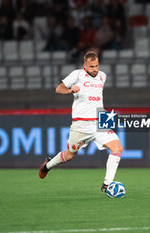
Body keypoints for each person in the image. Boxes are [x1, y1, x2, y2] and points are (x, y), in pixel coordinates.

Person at [39, 50, 123, 193]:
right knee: (70, 155)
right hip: (81, 124)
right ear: (85, 65)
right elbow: (58, 89)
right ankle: (47, 166)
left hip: (99, 121)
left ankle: (107, 185)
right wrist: (71, 90)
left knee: (118, 149)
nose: (95, 69)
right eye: (92, 67)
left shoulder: (103, 76)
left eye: (96, 66)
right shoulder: (77, 75)